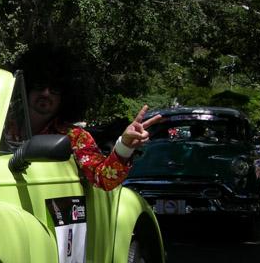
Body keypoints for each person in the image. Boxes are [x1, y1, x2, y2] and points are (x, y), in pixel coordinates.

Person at [14, 44, 160, 191]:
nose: (46, 93)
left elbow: (103, 178)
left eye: (55, 89)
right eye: (39, 85)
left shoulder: (74, 137)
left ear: (65, 97)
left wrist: (125, 145)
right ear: (27, 87)